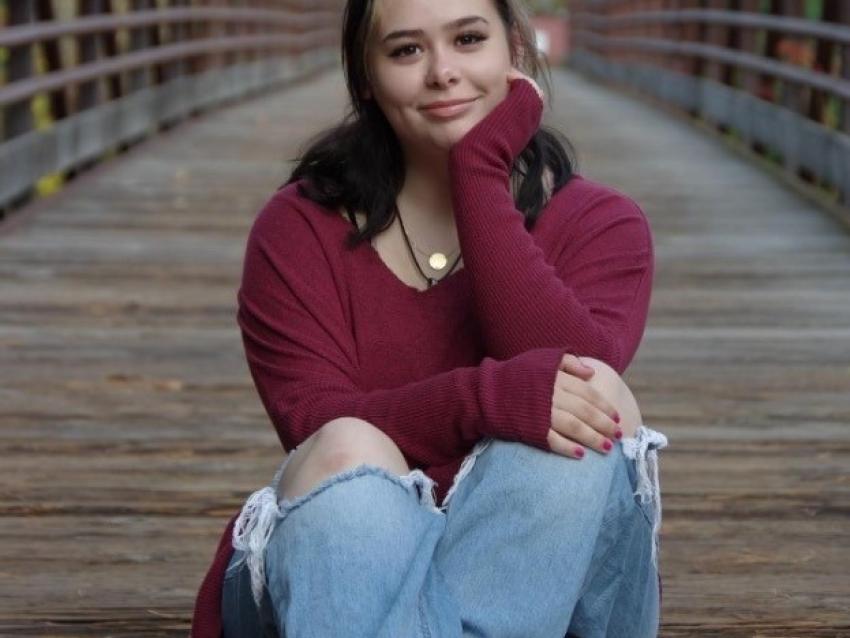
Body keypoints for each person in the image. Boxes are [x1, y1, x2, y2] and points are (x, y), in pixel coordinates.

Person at [190, 0, 669, 636]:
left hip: (542, 562)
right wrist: (488, 398)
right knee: (345, 449)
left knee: (589, 406)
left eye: (469, 39)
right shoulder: (298, 230)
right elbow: (312, 421)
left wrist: (477, 169)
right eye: (406, 50)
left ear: (516, 54)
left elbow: (574, 377)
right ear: (366, 77)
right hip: (348, 565)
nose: (442, 71)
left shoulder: (601, 225)